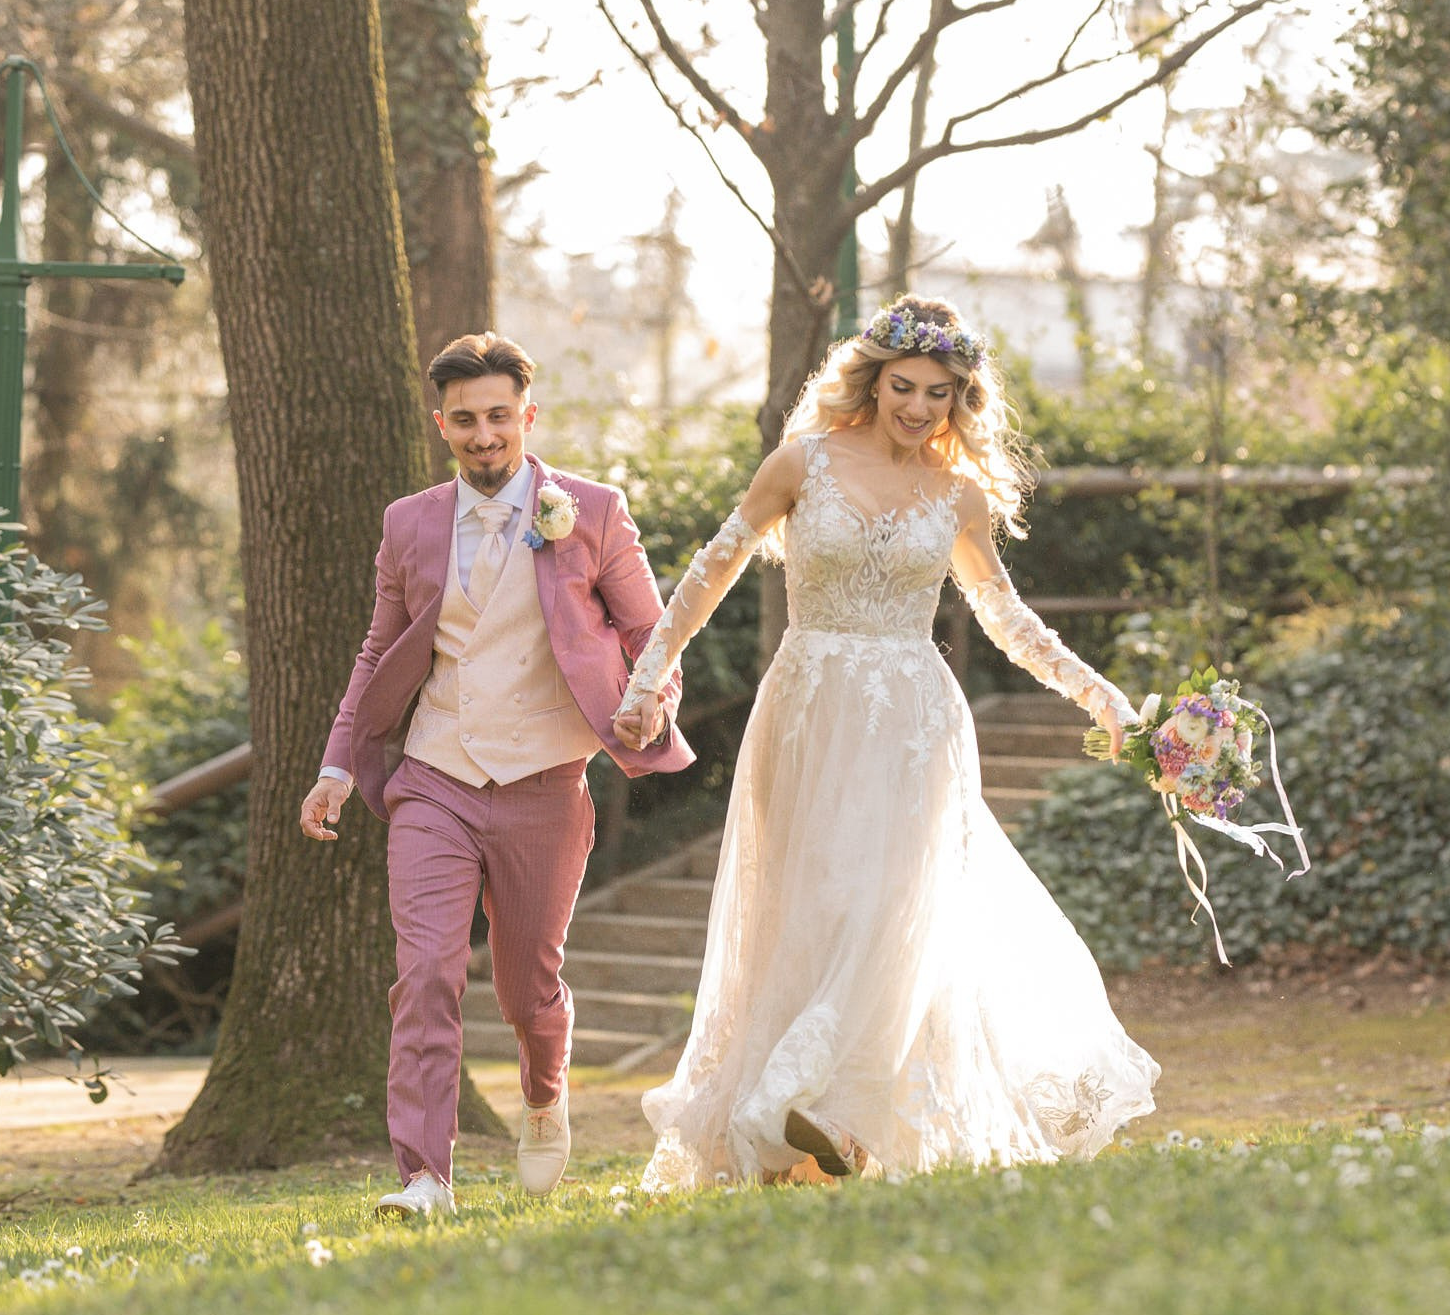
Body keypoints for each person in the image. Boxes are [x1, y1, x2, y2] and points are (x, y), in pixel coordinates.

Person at [612, 296, 1159, 1188]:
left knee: (886, 909)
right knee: (810, 908)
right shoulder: (801, 464)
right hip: (807, 711)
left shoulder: (959, 494)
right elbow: (714, 569)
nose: (917, 407)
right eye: (903, 387)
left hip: (914, 723)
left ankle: (831, 1111)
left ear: (959, 399)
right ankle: (800, 1122)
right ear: (870, 381)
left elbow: (1007, 619)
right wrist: (646, 680)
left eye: (938, 393)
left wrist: (1102, 697)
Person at [300, 332, 693, 1217]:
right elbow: (378, 650)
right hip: (434, 779)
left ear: (528, 415)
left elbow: (652, 637)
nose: (485, 435)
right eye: (466, 420)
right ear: (442, 425)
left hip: (546, 782)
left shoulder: (589, 511)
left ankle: (545, 1093)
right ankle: (424, 1177)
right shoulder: (409, 522)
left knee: (527, 987)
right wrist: (335, 763)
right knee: (428, 971)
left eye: (500, 417)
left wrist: (651, 702)